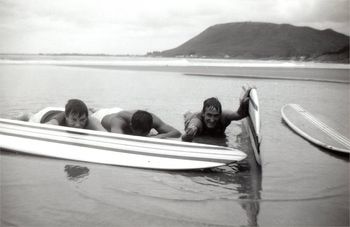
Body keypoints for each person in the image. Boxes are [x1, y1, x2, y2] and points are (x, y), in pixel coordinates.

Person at [181, 86, 252, 142]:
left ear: (220, 114)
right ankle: (187, 112)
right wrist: (190, 132)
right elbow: (184, 138)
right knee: (188, 115)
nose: (212, 120)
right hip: (191, 118)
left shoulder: (224, 116)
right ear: (203, 114)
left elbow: (239, 115)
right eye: (209, 115)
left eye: (216, 116)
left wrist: (244, 102)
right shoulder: (197, 121)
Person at [19, 99, 106, 131]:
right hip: (45, 114)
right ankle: (27, 115)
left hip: (66, 111)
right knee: (31, 118)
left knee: (77, 114)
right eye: (74, 120)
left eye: (82, 120)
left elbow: (104, 133)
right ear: (66, 117)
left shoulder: (90, 120)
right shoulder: (59, 119)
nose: (78, 125)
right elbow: (48, 126)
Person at [91, 108, 181, 138]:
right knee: (93, 111)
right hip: (102, 115)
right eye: (138, 134)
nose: (141, 137)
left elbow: (177, 133)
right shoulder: (118, 121)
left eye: (144, 134)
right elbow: (117, 139)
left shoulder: (151, 119)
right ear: (131, 125)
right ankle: (94, 109)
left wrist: (160, 136)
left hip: (122, 110)